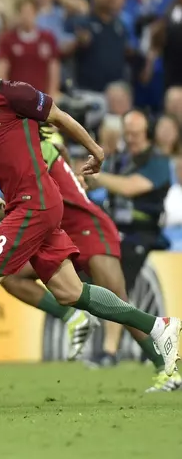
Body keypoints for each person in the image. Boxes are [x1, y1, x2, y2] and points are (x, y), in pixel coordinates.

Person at [0, 35, 181, 406]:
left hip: (36, 204)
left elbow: (59, 117)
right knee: (70, 292)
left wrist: (96, 151)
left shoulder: (15, 95)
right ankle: (158, 327)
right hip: (26, 205)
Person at [86, 110, 174, 367]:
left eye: (136, 134)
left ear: (148, 133)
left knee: (117, 285)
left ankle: (110, 351)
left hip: (142, 233)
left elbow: (129, 187)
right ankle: (146, 345)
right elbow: (97, 185)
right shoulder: (118, 159)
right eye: (128, 133)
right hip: (113, 229)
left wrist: (97, 176)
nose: (132, 138)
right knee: (105, 279)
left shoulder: (158, 161)